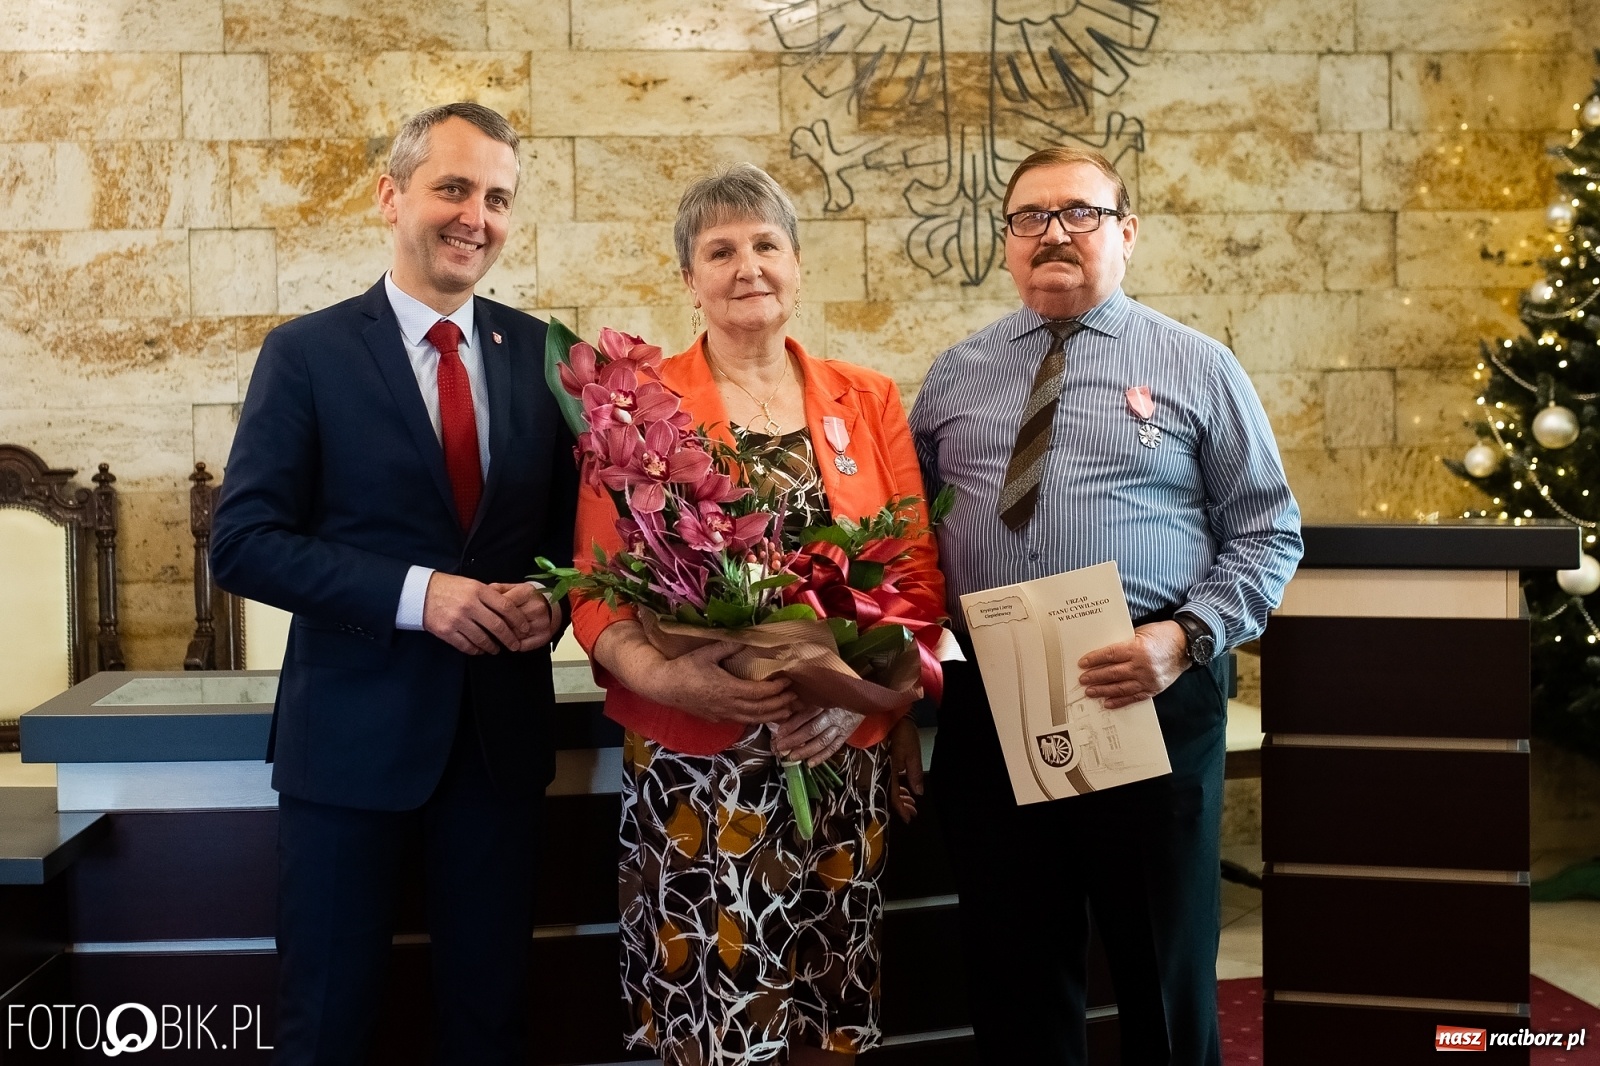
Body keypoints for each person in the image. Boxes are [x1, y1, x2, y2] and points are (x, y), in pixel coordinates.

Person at [909, 145, 1303, 1065]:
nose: (1053, 233)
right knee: (1015, 973)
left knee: (1160, 973)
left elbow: (1268, 532)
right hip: (997, 703)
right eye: (1030, 217)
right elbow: (911, 535)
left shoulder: (1199, 367)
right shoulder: (955, 376)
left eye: (1079, 213)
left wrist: (1184, 638)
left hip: (1147, 691)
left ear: (1127, 233)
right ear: (1007, 242)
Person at [211, 101, 579, 1065]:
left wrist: (554, 600)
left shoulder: (546, 357)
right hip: (347, 747)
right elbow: (243, 542)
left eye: (497, 198)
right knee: (327, 1023)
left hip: (498, 748)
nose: (476, 218)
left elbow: (575, 542)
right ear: (391, 196)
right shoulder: (307, 353)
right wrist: (422, 595)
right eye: (453, 188)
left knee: (489, 1023)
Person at [570, 163, 945, 1066]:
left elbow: (915, 571)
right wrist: (674, 678)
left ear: (798, 264)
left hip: (838, 752)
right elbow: (594, 588)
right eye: (721, 251)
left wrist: (855, 699)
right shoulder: (636, 407)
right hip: (699, 762)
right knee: (718, 1007)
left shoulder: (869, 397)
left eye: (766, 244)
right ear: (688, 279)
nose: (748, 267)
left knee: (828, 996)